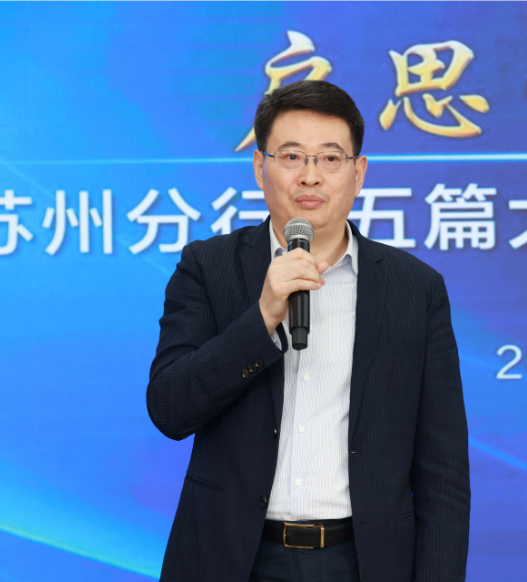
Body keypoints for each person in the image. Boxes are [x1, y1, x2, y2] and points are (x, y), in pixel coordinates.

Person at [146, 80, 470, 582]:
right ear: (260, 167)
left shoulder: (415, 288)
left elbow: (443, 469)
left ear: (358, 173)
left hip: (362, 561)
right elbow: (170, 408)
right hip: (234, 557)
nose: (311, 176)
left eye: (330, 159)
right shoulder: (208, 268)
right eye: (292, 156)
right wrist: (261, 319)